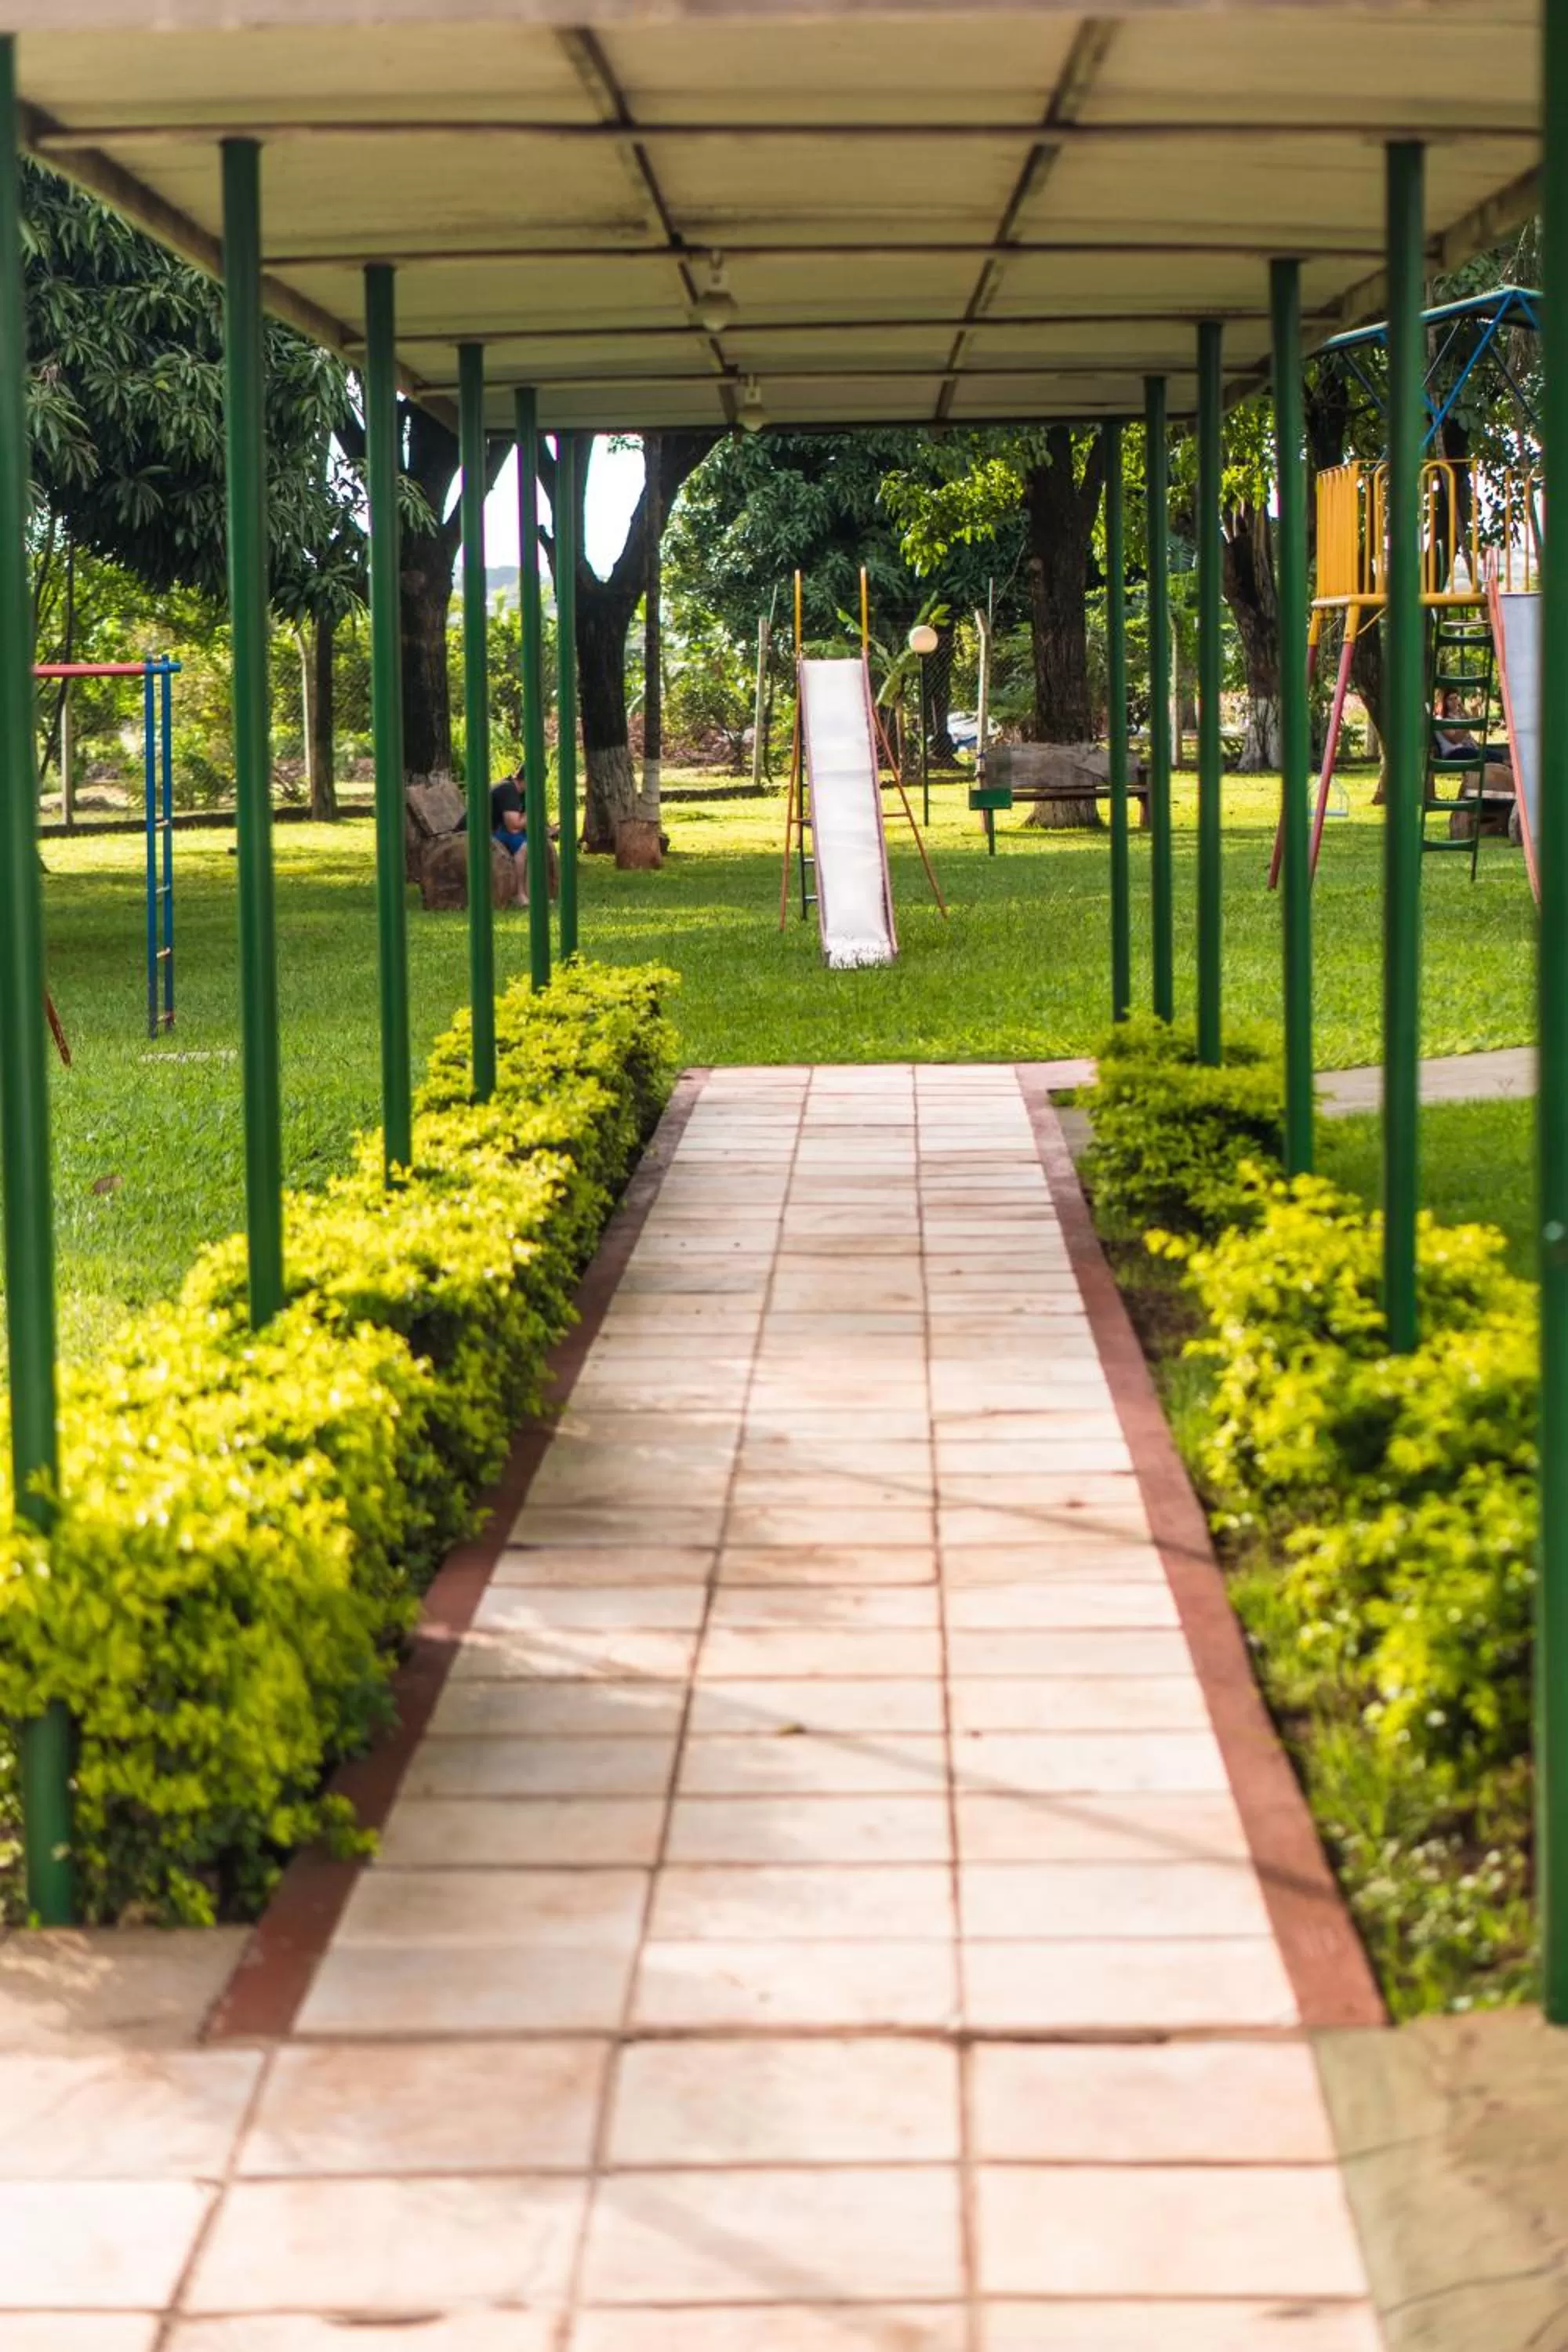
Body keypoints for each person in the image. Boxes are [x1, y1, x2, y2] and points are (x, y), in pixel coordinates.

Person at [489, 766, 528, 862]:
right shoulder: (509, 790)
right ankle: (518, 877)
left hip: (498, 829)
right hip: (481, 833)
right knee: (524, 847)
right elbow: (514, 827)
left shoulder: (522, 793)